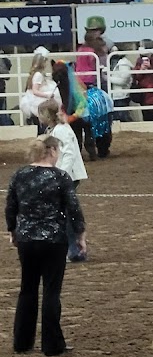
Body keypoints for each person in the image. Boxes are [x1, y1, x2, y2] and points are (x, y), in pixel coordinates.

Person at [5, 135, 86, 356]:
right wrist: (80, 235)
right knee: (51, 291)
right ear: (51, 151)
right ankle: (52, 345)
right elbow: (73, 208)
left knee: (27, 289)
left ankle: (22, 342)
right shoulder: (61, 177)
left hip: (27, 240)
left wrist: (13, 231)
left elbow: (11, 206)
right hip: (54, 241)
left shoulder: (19, 175)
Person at [38, 99, 88, 262]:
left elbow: (69, 153)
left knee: (66, 214)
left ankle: (73, 250)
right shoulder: (56, 129)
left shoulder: (61, 130)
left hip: (68, 176)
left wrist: (61, 174)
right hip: (65, 175)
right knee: (66, 213)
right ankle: (73, 249)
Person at [19, 48, 59, 132]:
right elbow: (35, 91)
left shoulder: (36, 74)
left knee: (40, 127)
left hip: (35, 102)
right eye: (45, 61)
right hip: (38, 102)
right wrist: (48, 95)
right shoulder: (38, 75)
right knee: (43, 127)